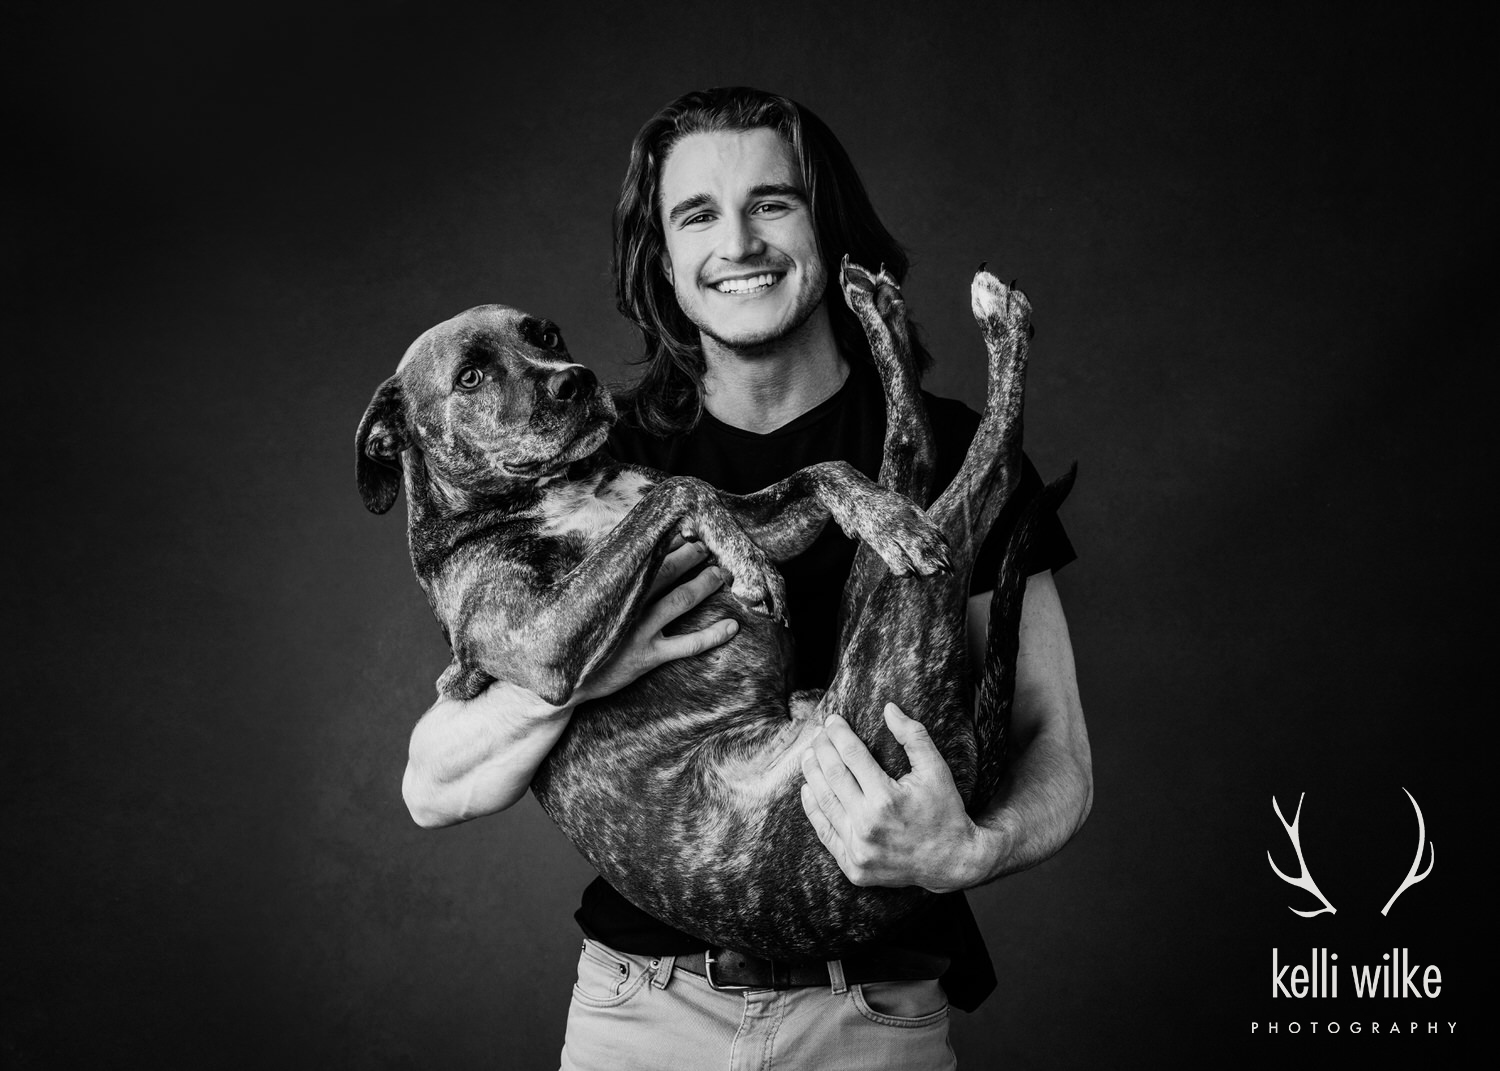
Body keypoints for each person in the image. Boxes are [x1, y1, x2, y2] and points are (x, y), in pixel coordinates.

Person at [401, 87, 1092, 1069]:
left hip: (872, 1014)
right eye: (697, 215)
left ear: (826, 224)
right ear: (665, 261)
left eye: (773, 203)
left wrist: (971, 851)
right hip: (644, 1012)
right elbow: (432, 783)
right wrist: (594, 665)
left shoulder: (953, 443)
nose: (739, 242)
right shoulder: (598, 465)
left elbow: (1053, 744)